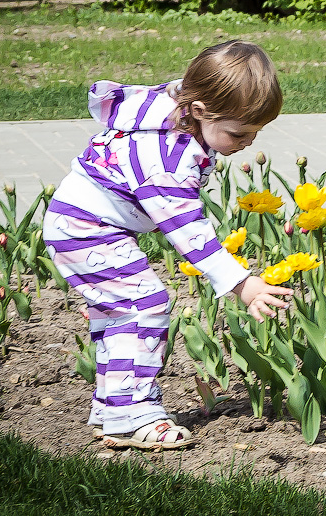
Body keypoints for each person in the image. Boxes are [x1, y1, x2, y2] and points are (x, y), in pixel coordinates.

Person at [42, 40, 292, 450]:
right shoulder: (167, 159)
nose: (248, 141)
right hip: (86, 227)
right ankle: (134, 415)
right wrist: (240, 283)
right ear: (198, 111)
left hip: (83, 222)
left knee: (121, 315)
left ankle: (115, 409)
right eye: (238, 132)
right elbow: (186, 229)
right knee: (144, 305)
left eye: (256, 131)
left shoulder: (178, 110)